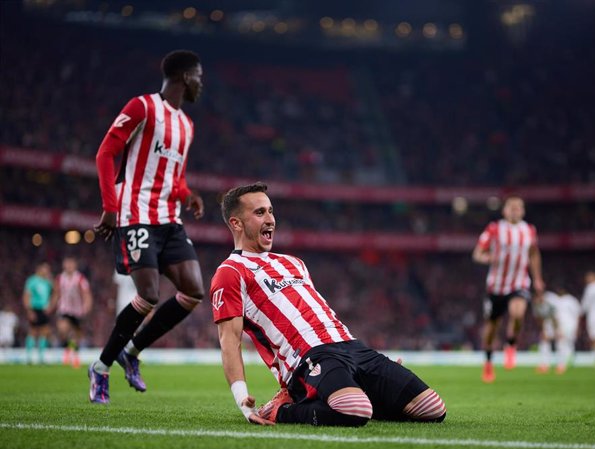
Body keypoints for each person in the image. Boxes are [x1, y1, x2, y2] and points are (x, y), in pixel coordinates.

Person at [210, 182, 446, 426]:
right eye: (259, 213)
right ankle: (280, 411)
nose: (270, 219)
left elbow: (316, 311)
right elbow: (230, 340)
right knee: (355, 412)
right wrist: (242, 401)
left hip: (352, 347)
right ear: (236, 223)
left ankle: (359, 392)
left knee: (433, 409)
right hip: (309, 357)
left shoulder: (294, 263)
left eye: (270, 211)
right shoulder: (230, 272)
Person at [88, 50, 205, 404]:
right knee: (149, 295)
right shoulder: (141, 107)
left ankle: (133, 351)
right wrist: (110, 208)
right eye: (198, 75)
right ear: (184, 77)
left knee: (193, 291)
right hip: (135, 212)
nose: (202, 83)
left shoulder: (186, 125)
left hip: (169, 217)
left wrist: (188, 195)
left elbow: (175, 176)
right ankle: (101, 367)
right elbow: (105, 154)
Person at [472, 196, 544, 383]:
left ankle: (510, 345)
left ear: (523, 211)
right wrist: (487, 258)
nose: (514, 210)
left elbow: (534, 254)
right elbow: (478, 253)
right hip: (496, 286)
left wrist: (537, 279)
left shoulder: (529, 230)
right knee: (491, 328)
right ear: (504, 211)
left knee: (518, 312)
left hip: (519, 282)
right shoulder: (494, 229)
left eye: (518, 207)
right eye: (511, 207)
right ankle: (488, 363)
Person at [52, 257, 93, 368]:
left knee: (77, 334)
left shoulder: (80, 278)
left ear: (75, 265)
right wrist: (51, 305)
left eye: (71, 264)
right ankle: (67, 350)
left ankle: (74, 355)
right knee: (63, 329)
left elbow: (86, 293)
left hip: (77, 310)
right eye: (67, 264)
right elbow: (56, 293)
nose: (69, 266)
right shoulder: (60, 278)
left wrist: (87, 305)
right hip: (64, 308)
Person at [533, 287, 582, 374]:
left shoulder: (551, 301)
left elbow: (556, 317)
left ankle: (561, 365)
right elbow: (540, 319)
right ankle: (544, 365)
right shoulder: (535, 304)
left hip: (560, 321)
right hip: (548, 321)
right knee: (544, 340)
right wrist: (543, 331)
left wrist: (557, 331)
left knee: (560, 341)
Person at [23, 262, 53, 364]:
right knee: (33, 332)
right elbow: (26, 296)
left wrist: (51, 306)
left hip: (44, 309)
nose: (47, 271)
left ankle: (41, 358)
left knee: (44, 332)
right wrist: (29, 311)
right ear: (39, 269)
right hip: (34, 308)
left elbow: (55, 292)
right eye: (45, 268)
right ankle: (29, 357)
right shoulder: (32, 281)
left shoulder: (47, 282)